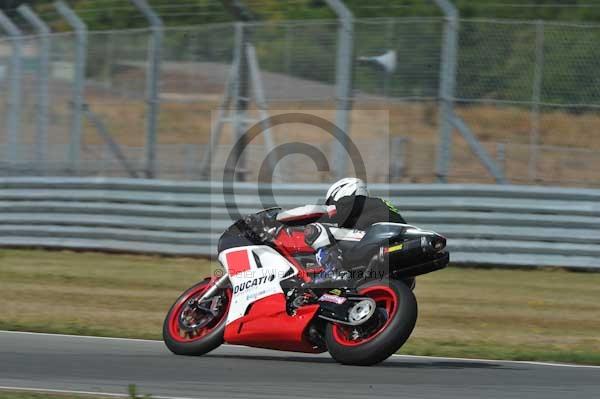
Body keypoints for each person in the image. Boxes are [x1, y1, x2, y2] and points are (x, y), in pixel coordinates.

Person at [276, 177, 406, 284]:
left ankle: (333, 272)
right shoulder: (377, 206)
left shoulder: (352, 201)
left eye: (332, 201)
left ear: (342, 191)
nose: (332, 204)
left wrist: (280, 218)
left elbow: (319, 212)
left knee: (315, 229)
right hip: (399, 254)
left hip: (380, 237)